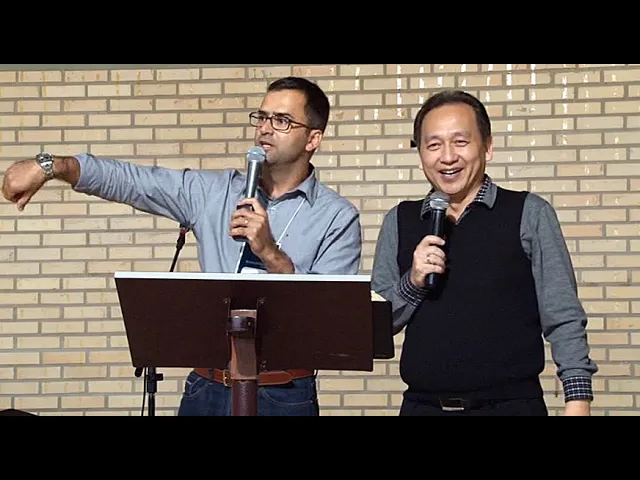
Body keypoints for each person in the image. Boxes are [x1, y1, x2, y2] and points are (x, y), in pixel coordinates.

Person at [1, 76, 362, 416]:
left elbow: (331, 320)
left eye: (282, 120)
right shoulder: (211, 193)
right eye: (262, 117)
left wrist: (270, 253)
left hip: (283, 393)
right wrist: (54, 166)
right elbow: (132, 181)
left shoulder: (336, 216)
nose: (265, 128)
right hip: (207, 387)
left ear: (313, 139)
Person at [371, 89, 598, 416]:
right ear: (420, 153)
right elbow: (376, 326)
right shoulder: (400, 220)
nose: (447, 157)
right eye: (433, 145)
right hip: (423, 407)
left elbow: (563, 314)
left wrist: (577, 400)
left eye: (460, 142)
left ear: (487, 147)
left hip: (511, 407)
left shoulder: (529, 213)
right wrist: (413, 281)